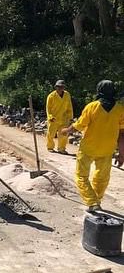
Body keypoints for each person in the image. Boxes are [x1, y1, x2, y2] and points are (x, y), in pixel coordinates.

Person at [61, 80, 124, 212]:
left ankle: (92, 202)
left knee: (81, 176)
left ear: (99, 90)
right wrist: (122, 154)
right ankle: (97, 201)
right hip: (107, 150)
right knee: (102, 178)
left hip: (88, 148)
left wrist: (66, 131)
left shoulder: (92, 106)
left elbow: (79, 125)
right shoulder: (119, 109)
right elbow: (122, 135)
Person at [46, 80, 73, 154]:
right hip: (54, 119)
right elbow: (48, 108)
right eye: (58, 87)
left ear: (64, 87)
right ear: (56, 87)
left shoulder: (67, 95)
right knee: (50, 134)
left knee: (63, 135)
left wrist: (70, 118)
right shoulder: (51, 96)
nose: (60, 88)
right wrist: (50, 117)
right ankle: (50, 147)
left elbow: (69, 107)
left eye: (62, 87)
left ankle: (61, 148)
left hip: (64, 118)